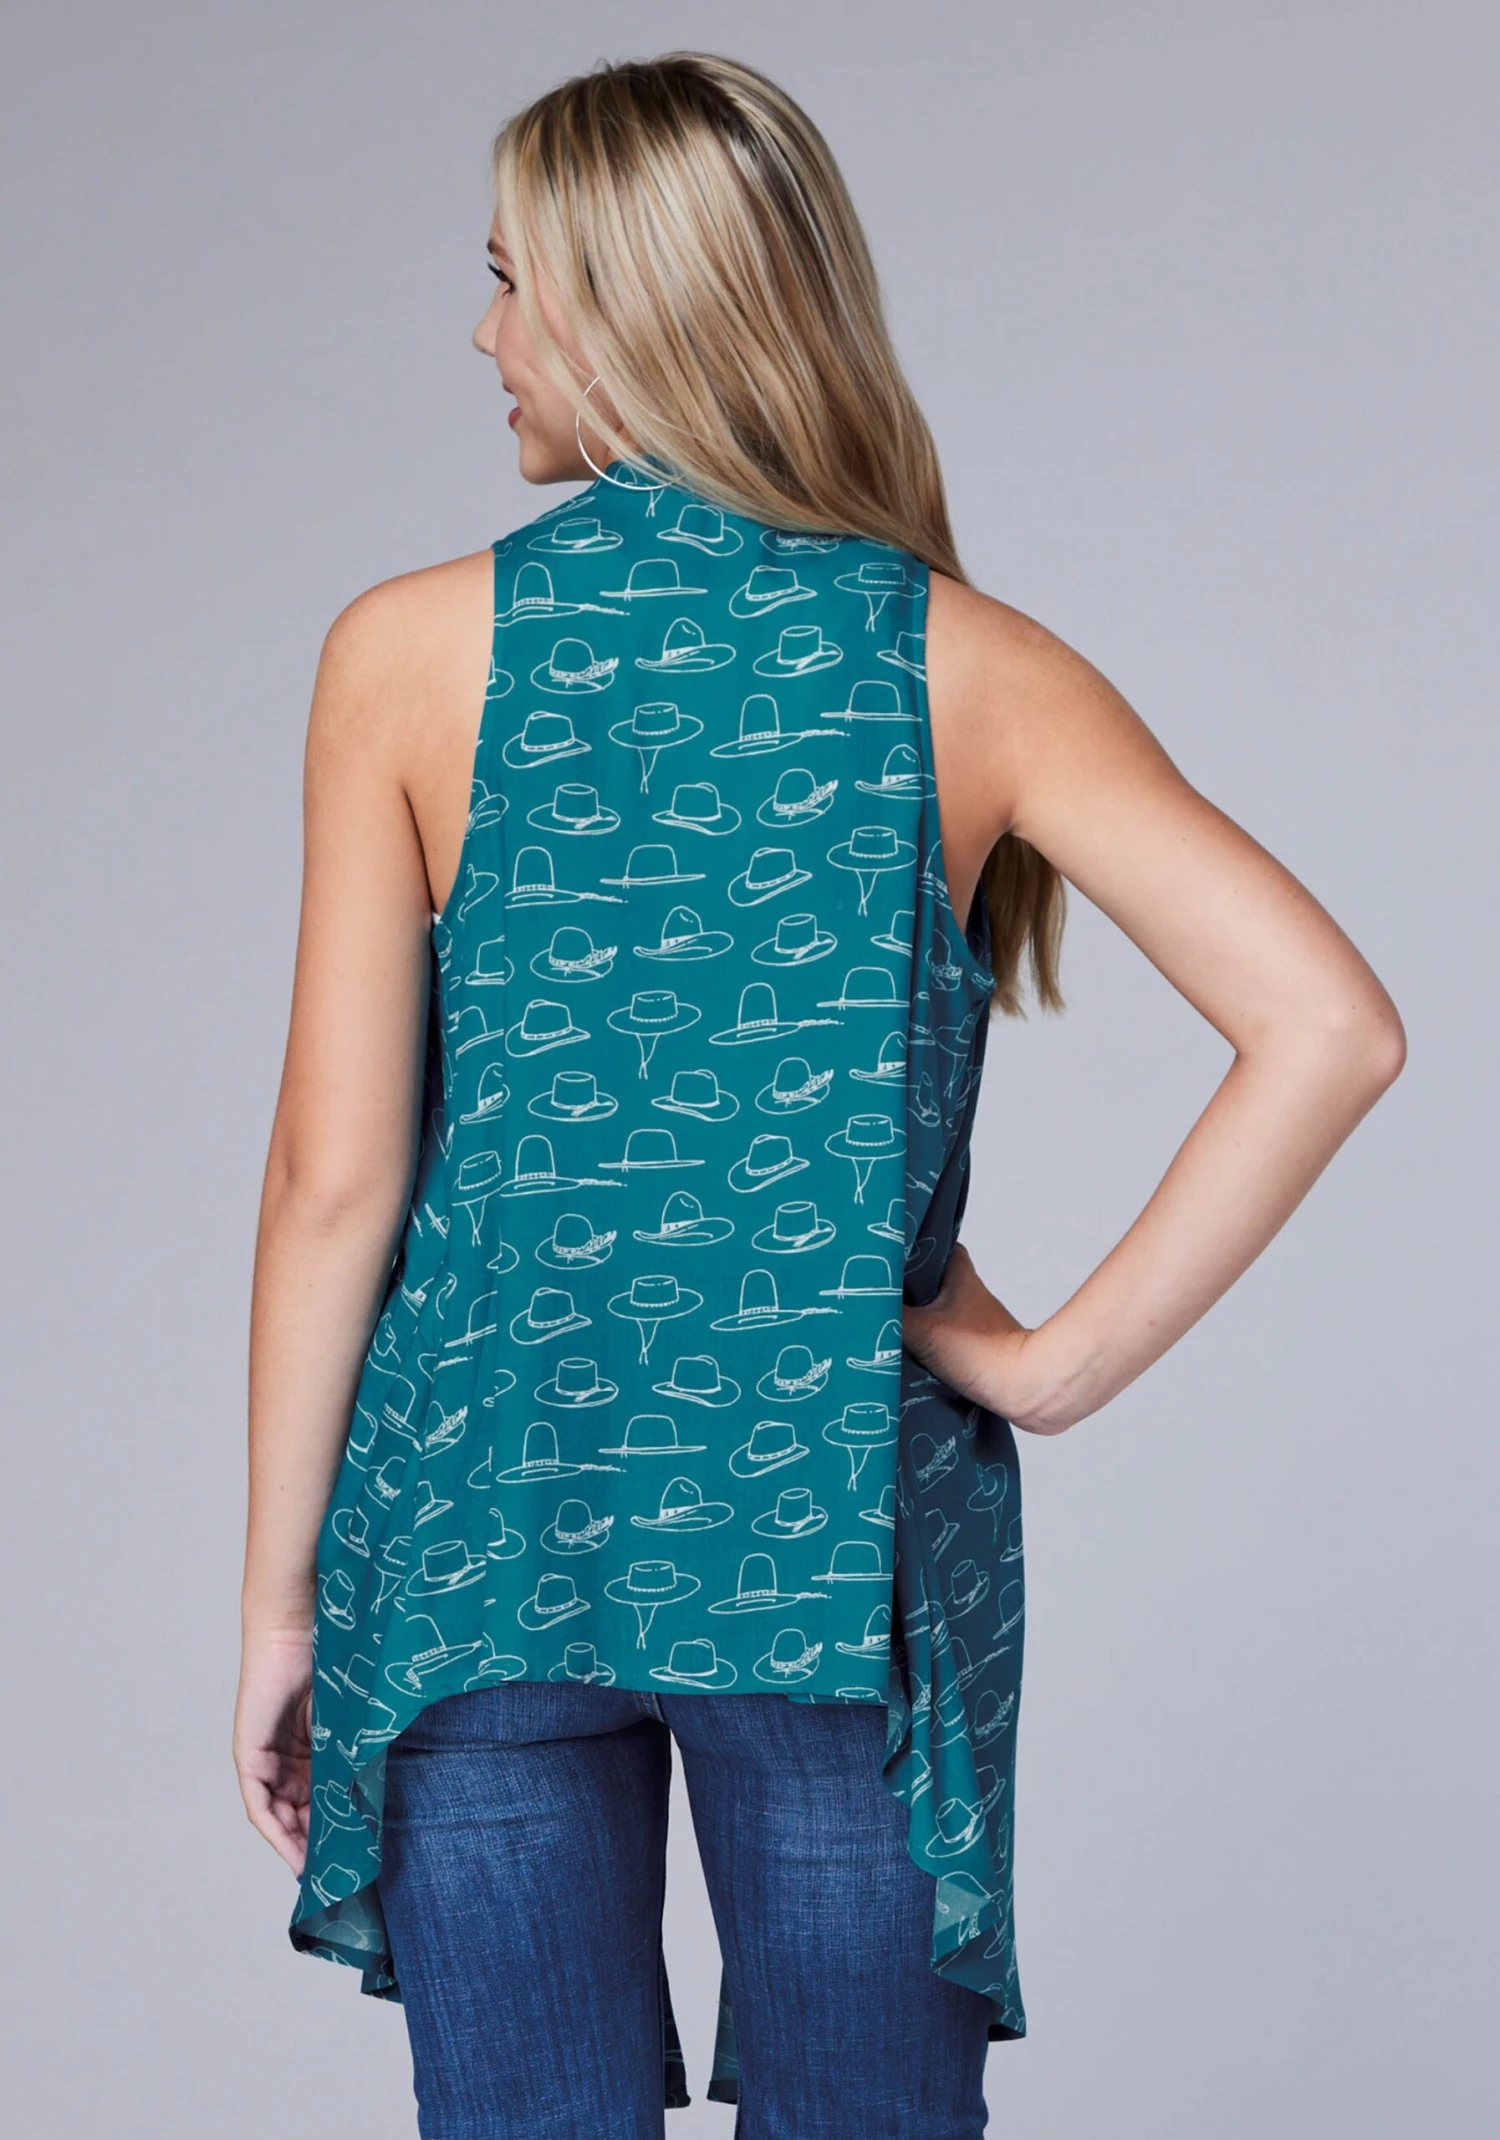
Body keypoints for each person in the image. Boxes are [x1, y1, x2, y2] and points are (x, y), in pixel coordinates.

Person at [232, 50, 1405, 2140]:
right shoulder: (970, 663)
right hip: (831, 1536)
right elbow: (1329, 1024)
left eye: (509, 282)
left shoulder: (405, 654)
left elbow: (337, 1176)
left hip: (491, 1522)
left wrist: (277, 1595)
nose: (485, 338)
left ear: (623, 307)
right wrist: (1041, 1369)